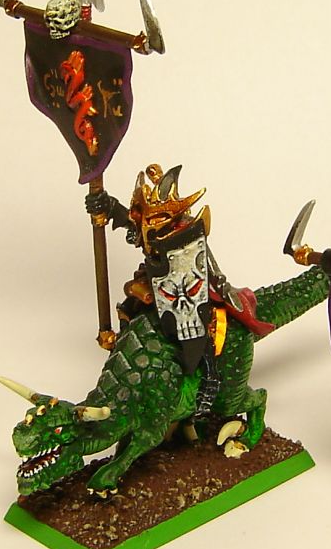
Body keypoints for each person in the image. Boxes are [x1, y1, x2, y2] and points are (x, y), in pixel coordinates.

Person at [86, 163, 274, 417]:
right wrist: (106, 205)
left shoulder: (184, 236)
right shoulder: (152, 227)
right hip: (161, 285)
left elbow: (189, 281)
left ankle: (209, 379)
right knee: (132, 305)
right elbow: (133, 224)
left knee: (196, 331)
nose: (144, 227)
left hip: (190, 289)